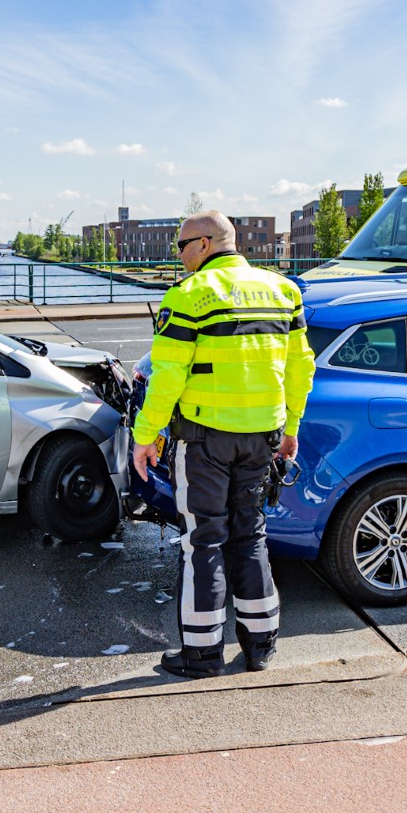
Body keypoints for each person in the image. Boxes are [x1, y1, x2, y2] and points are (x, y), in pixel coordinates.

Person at [131, 211, 315, 677]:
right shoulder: (283, 292)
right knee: (250, 536)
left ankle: (201, 654)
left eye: (181, 245)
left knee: (203, 541)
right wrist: (291, 427)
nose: (178, 254)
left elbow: (167, 378)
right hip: (262, 441)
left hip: (205, 443)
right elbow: (299, 368)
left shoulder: (189, 296)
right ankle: (260, 646)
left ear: (206, 243)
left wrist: (145, 436)